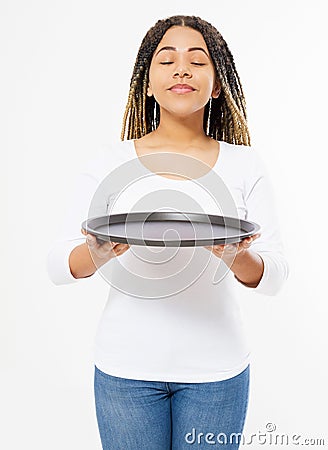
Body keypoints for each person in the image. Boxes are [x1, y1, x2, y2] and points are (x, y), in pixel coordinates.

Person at [47, 15, 289, 450]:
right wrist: (101, 252)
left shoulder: (246, 164)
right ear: (147, 82)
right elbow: (59, 266)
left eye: (198, 61)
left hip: (217, 372)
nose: (182, 69)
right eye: (167, 59)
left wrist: (236, 256)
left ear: (216, 85)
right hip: (125, 370)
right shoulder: (108, 162)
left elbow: (274, 276)